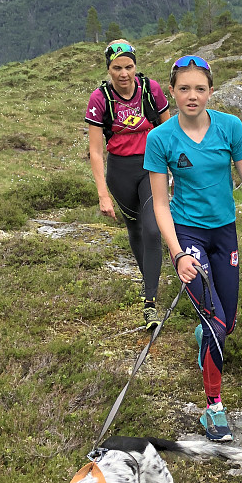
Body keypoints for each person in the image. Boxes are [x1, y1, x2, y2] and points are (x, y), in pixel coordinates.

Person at [145, 54, 242, 442]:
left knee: (229, 322)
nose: (193, 96)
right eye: (184, 88)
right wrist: (177, 255)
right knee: (216, 322)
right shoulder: (160, 139)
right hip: (188, 236)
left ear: (211, 91)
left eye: (201, 88)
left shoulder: (230, 127)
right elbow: (160, 203)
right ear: (171, 91)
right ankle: (213, 408)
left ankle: (205, 338)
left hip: (225, 234)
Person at [86, 40, 170, 330]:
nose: (123, 74)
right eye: (117, 68)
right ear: (108, 68)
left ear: (136, 66)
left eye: (129, 67)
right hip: (119, 173)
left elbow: (167, 129)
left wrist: (175, 170)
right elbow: (96, 151)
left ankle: (150, 304)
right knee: (134, 229)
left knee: (152, 229)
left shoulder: (151, 90)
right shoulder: (100, 99)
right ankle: (149, 282)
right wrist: (103, 195)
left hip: (151, 168)